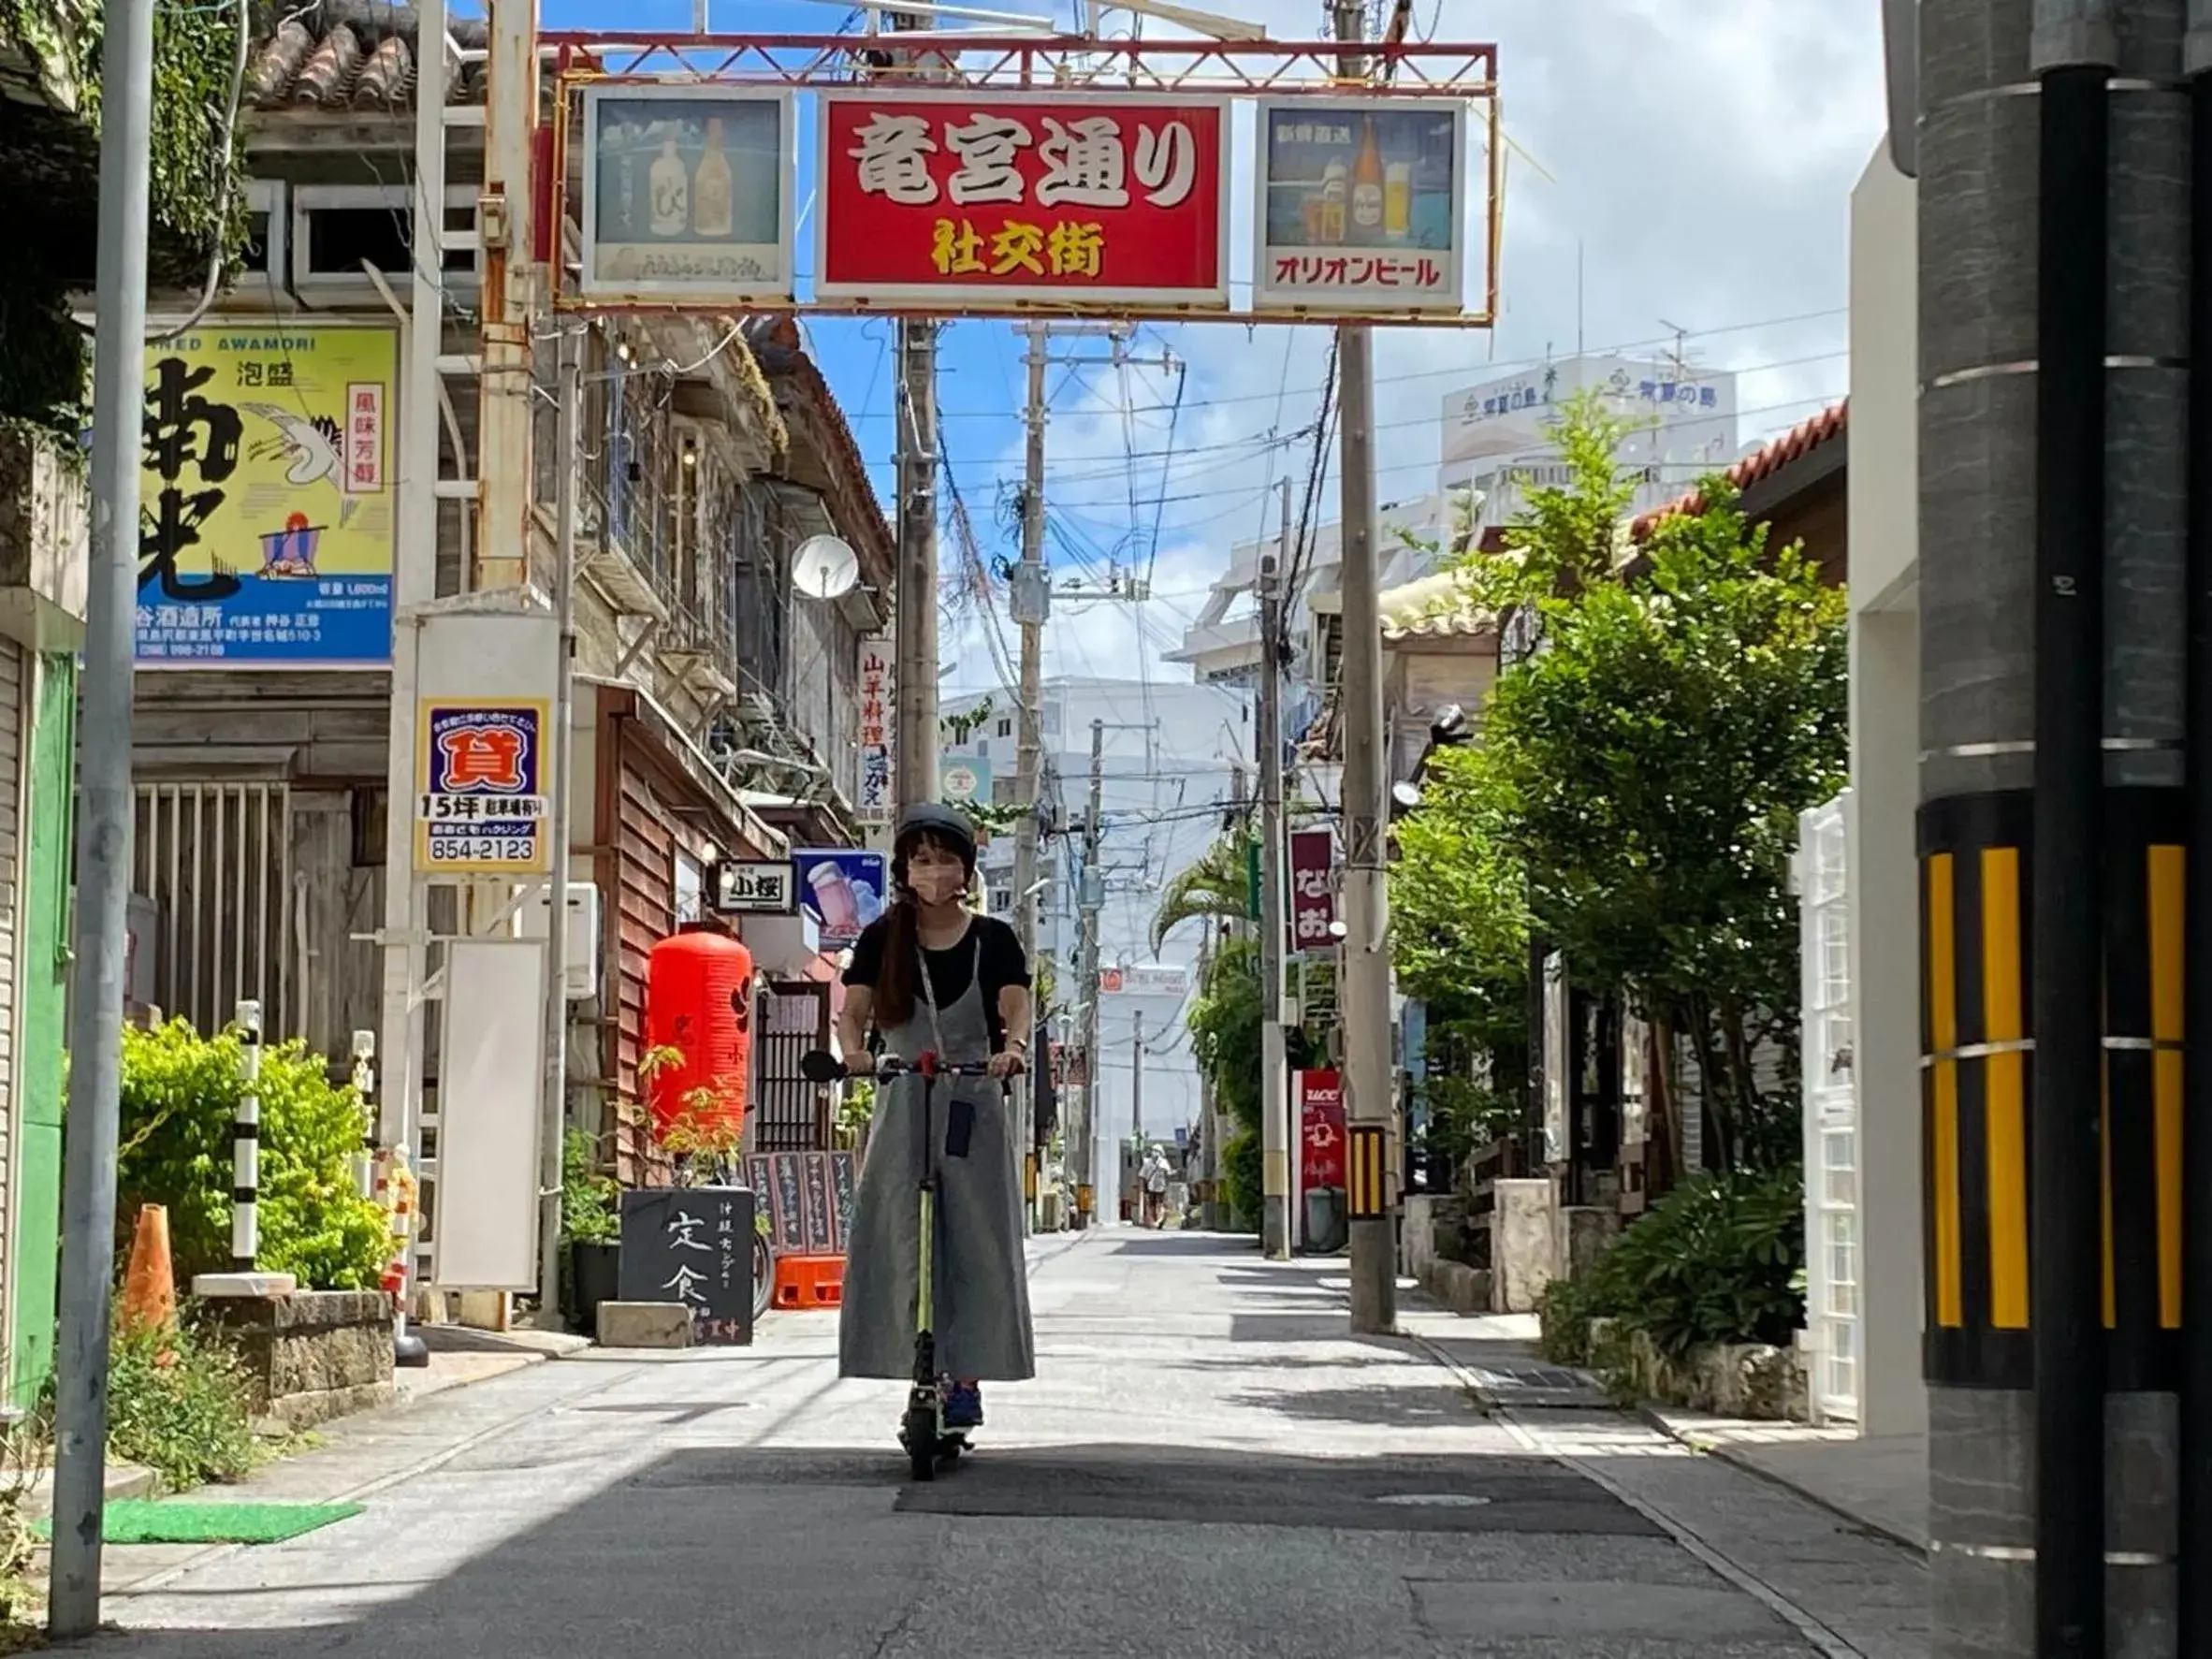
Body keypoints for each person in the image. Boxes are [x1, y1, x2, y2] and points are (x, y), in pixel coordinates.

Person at [834, 804, 1036, 1433]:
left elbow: (1016, 1005)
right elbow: (853, 1011)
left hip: (971, 1098)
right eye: (921, 859)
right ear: (904, 869)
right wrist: (856, 1055)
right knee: (896, 1225)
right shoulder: (881, 938)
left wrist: (1012, 1050)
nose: (934, 870)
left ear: (967, 870)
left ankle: (968, 1374)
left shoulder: (993, 939)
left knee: (976, 1232)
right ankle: (905, 1356)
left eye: (946, 859)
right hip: (902, 1095)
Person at [1141, 1143, 1171, 1229]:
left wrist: (1167, 1184)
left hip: (1161, 1188)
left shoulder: (1164, 1162)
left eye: (1156, 1151)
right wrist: (1144, 1188)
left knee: (1160, 1205)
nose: (1154, 1153)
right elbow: (1143, 1176)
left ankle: (1159, 1221)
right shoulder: (1148, 1163)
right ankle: (1153, 1222)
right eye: (1153, 1151)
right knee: (1151, 1205)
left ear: (1160, 1152)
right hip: (1151, 1187)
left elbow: (1168, 1174)